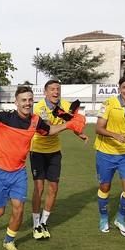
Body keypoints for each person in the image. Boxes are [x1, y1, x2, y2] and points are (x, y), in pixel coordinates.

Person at [0, 86, 85, 250]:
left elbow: (48, 131)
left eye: (30, 100)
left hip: (19, 172)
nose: (27, 103)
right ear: (16, 102)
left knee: (19, 208)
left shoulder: (35, 120)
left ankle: (9, 240)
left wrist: (68, 125)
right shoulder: (5, 117)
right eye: (23, 100)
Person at [29, 80, 88, 240]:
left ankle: (43, 223)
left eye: (58, 89)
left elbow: (73, 120)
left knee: (53, 188)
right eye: (52, 89)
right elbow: (47, 130)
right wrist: (70, 124)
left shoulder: (65, 105)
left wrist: (79, 132)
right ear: (45, 92)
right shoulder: (39, 107)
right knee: (39, 189)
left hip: (55, 151)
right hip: (38, 151)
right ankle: (35, 225)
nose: (56, 92)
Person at [93, 75, 125, 237]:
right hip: (105, 153)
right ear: (119, 88)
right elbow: (98, 128)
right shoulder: (109, 103)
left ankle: (120, 219)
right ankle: (103, 218)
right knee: (105, 187)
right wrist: (115, 135)